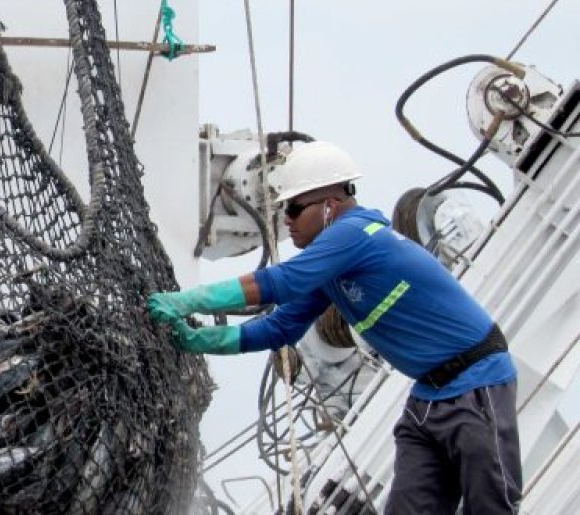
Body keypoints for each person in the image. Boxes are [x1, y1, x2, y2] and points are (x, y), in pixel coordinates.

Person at [149, 140, 520, 514]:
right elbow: (282, 327)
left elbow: (281, 283)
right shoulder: (333, 264)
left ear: (329, 206)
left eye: (293, 209)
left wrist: (188, 300)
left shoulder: (354, 233)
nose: (287, 221)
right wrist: (199, 342)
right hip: (428, 398)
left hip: (476, 383)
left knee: (492, 505)